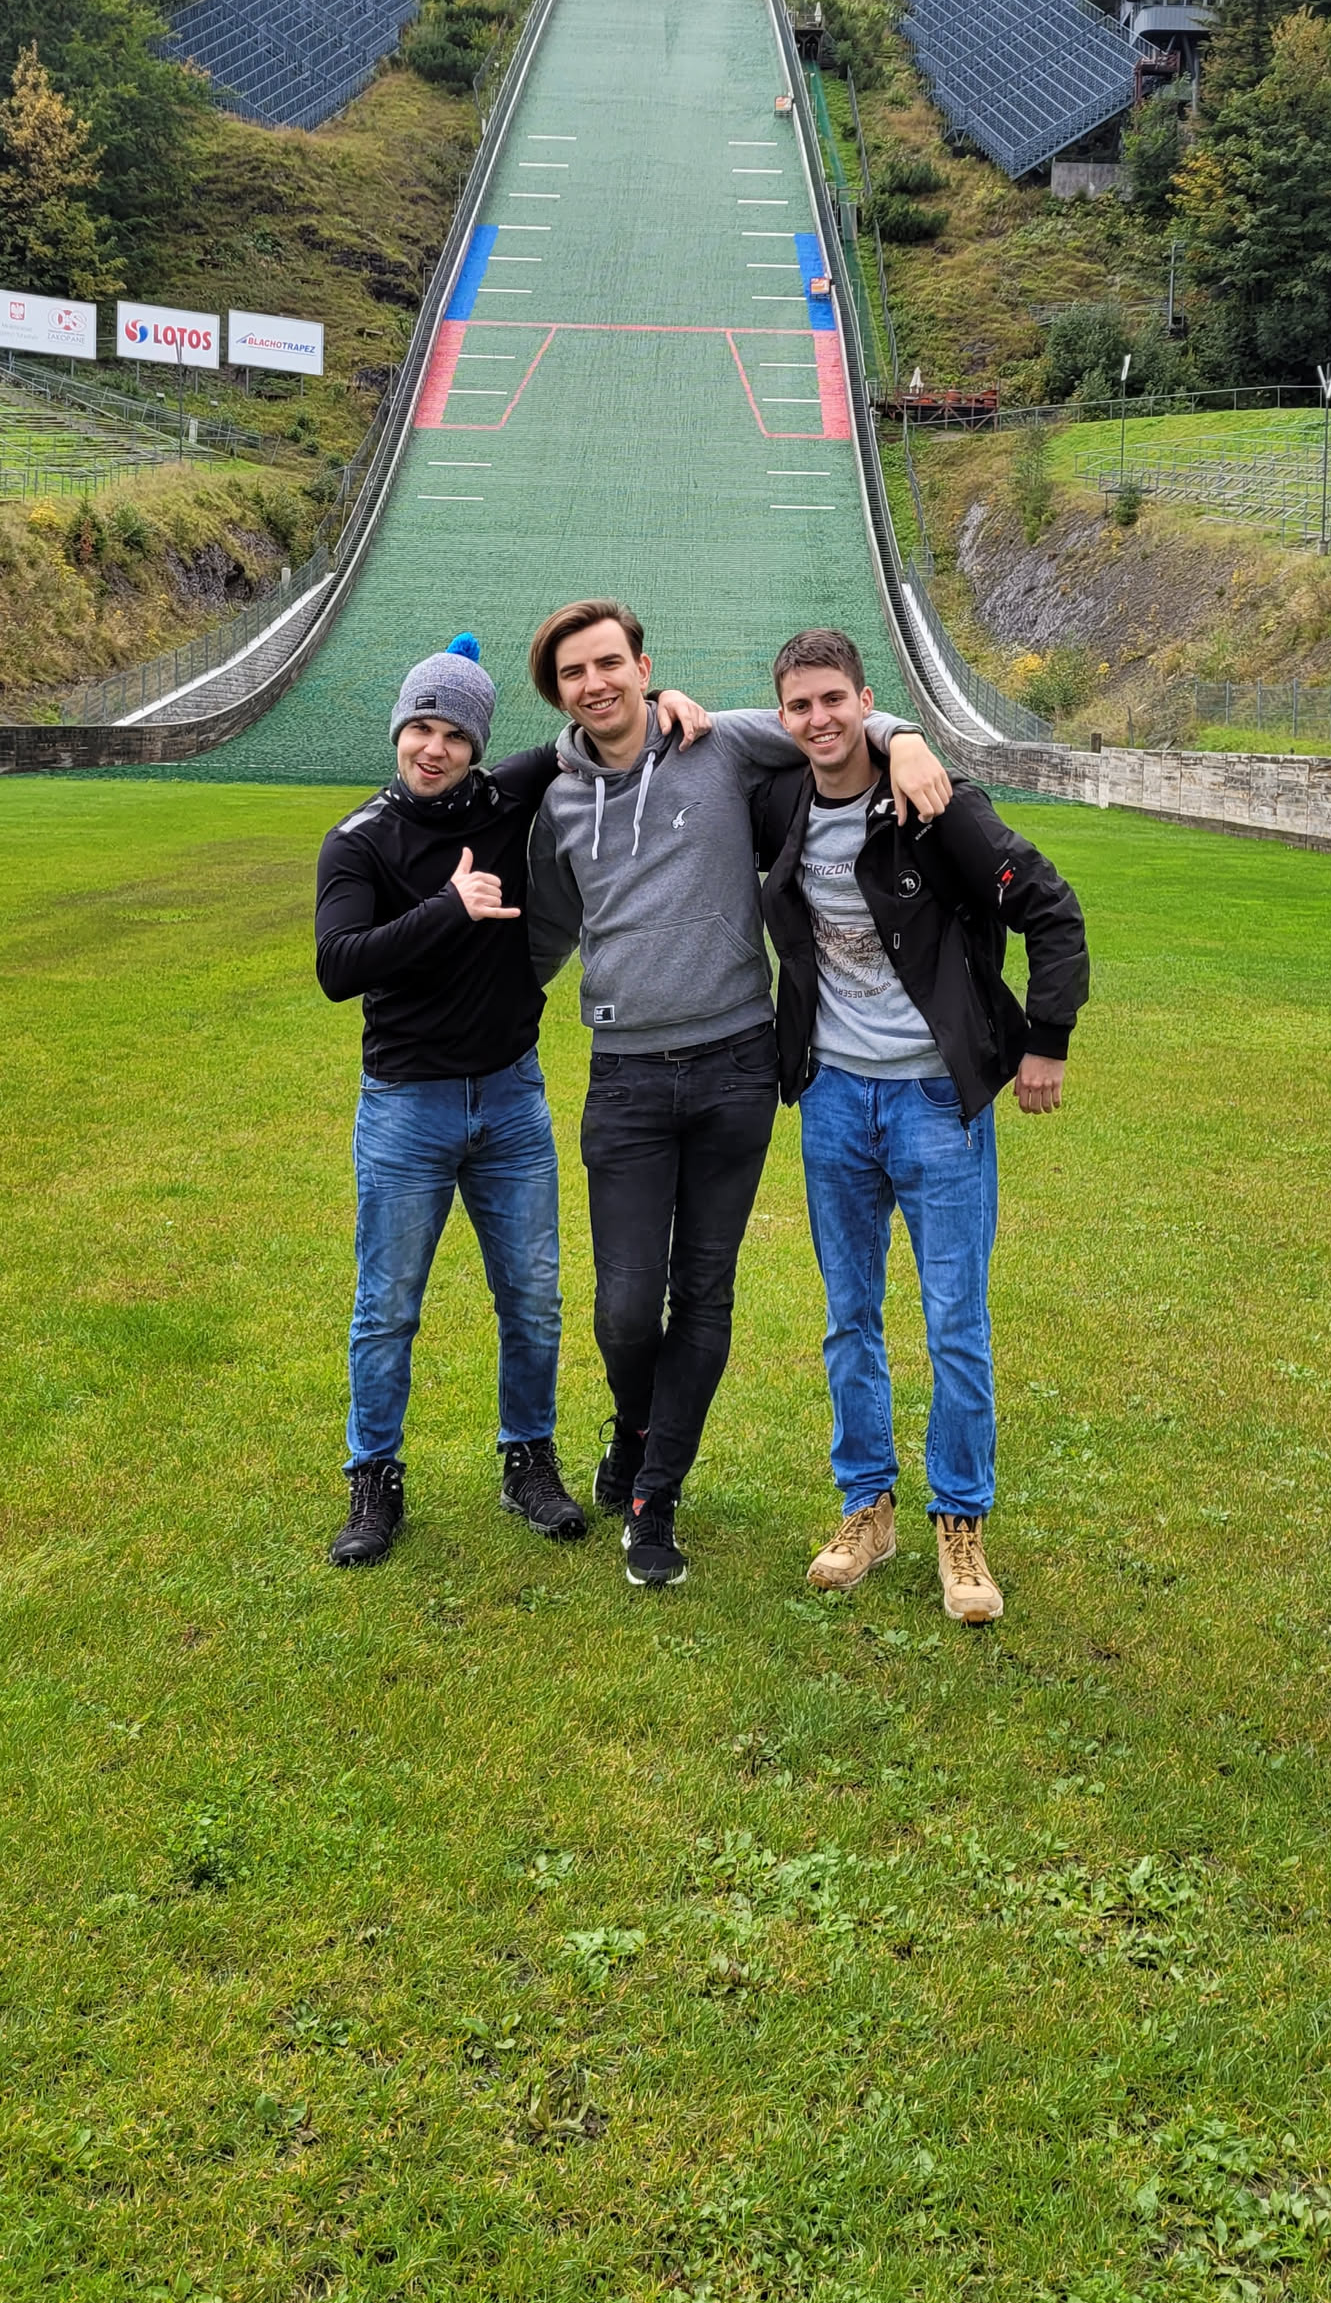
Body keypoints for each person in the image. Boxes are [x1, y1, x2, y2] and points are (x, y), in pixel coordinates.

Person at [524, 599, 952, 1590]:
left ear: (643, 666)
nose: (595, 683)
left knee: (704, 1292)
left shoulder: (715, 741)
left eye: (609, 662)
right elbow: (543, 935)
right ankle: (636, 1428)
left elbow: (827, 722)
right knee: (626, 1306)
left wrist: (907, 737)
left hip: (734, 1066)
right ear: (559, 693)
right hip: (626, 1076)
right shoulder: (558, 802)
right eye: (573, 673)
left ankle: (654, 1498)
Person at [313, 633, 705, 1568]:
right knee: (387, 1306)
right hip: (406, 1103)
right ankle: (374, 1476)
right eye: (421, 727)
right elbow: (337, 965)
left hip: (511, 1098)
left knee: (531, 1298)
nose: (435, 747)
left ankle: (528, 1459)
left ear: (477, 744)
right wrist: (448, 907)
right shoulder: (358, 841)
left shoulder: (507, 794)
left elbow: (596, 728)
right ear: (399, 730)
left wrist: (671, 706)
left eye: (455, 733)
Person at [753, 628, 1089, 1624]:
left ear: (867, 700)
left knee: (955, 1322)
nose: (819, 718)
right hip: (833, 1098)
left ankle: (960, 1521)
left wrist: (1047, 1040)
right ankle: (868, 1507)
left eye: (836, 699)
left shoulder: (938, 807)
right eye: (800, 704)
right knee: (849, 1315)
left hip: (936, 1100)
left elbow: (1051, 907)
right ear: (783, 716)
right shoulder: (777, 800)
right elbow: (701, 738)